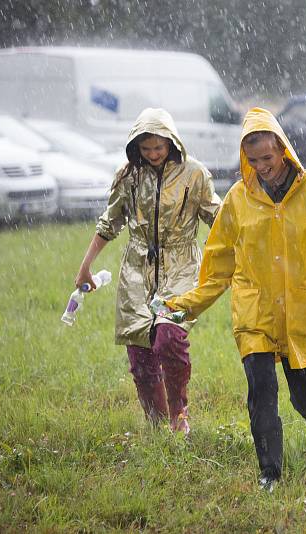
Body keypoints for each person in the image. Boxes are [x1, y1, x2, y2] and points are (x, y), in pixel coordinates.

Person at [164, 108, 306, 492]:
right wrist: (186, 304)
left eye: (267, 158)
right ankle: (270, 472)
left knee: (305, 394)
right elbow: (219, 263)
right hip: (254, 311)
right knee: (261, 394)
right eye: (253, 160)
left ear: (283, 150)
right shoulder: (238, 199)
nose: (261, 167)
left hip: (301, 312)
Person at [74, 108, 221, 434]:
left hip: (181, 265)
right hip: (137, 268)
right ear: (136, 148)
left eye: (159, 147)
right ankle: (156, 425)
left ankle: (178, 414)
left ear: (172, 142)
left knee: (169, 336)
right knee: (140, 355)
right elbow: (109, 223)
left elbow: (219, 218)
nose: (153, 155)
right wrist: (86, 265)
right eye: (146, 149)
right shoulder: (128, 177)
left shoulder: (194, 174)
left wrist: (245, 246)